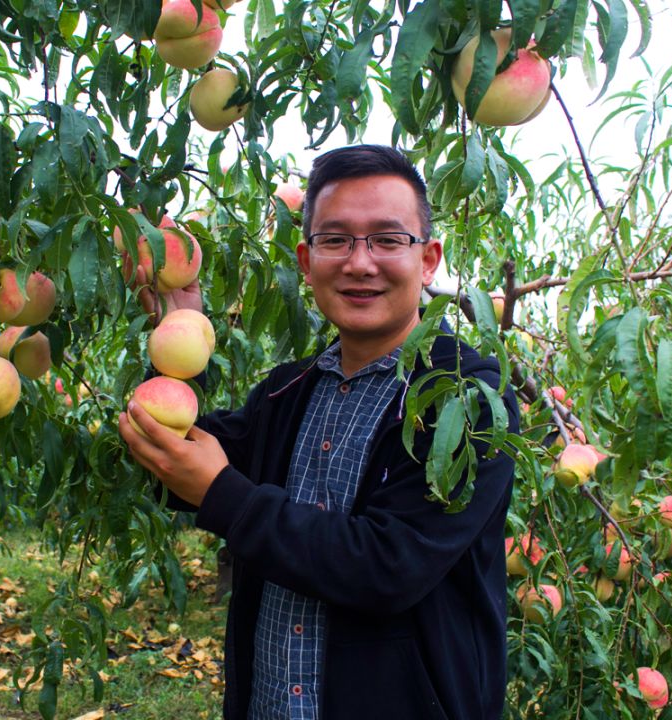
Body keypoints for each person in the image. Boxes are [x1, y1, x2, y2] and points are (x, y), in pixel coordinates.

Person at [119, 144, 518, 719]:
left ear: (428, 260)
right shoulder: (288, 391)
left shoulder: (467, 399)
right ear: (306, 262)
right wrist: (178, 328)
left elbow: (390, 566)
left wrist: (226, 497)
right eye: (336, 240)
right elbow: (170, 461)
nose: (360, 262)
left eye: (387, 239)